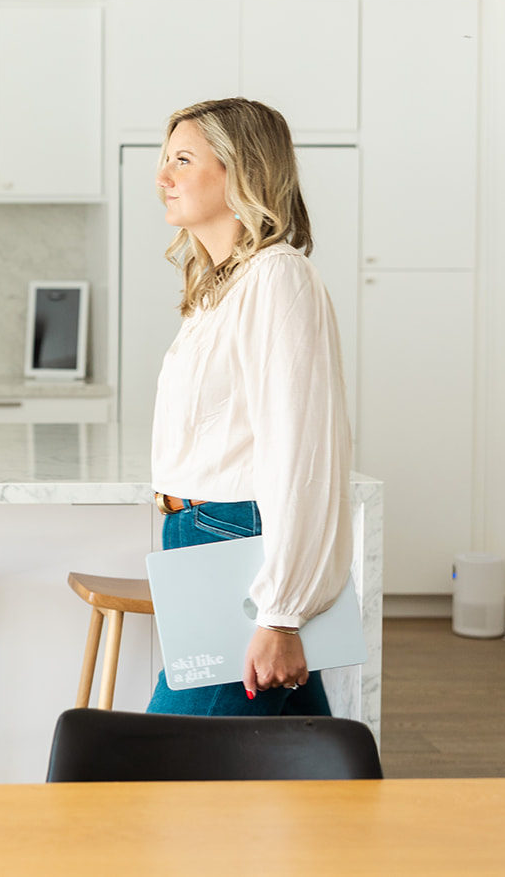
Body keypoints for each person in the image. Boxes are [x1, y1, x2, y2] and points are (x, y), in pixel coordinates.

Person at [145, 97, 353, 716]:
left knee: (158, 770)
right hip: (199, 536)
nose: (163, 177)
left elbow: (301, 450)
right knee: (296, 772)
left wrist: (282, 613)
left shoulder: (276, 277)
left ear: (240, 171)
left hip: (236, 539)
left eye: (182, 160)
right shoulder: (220, 289)